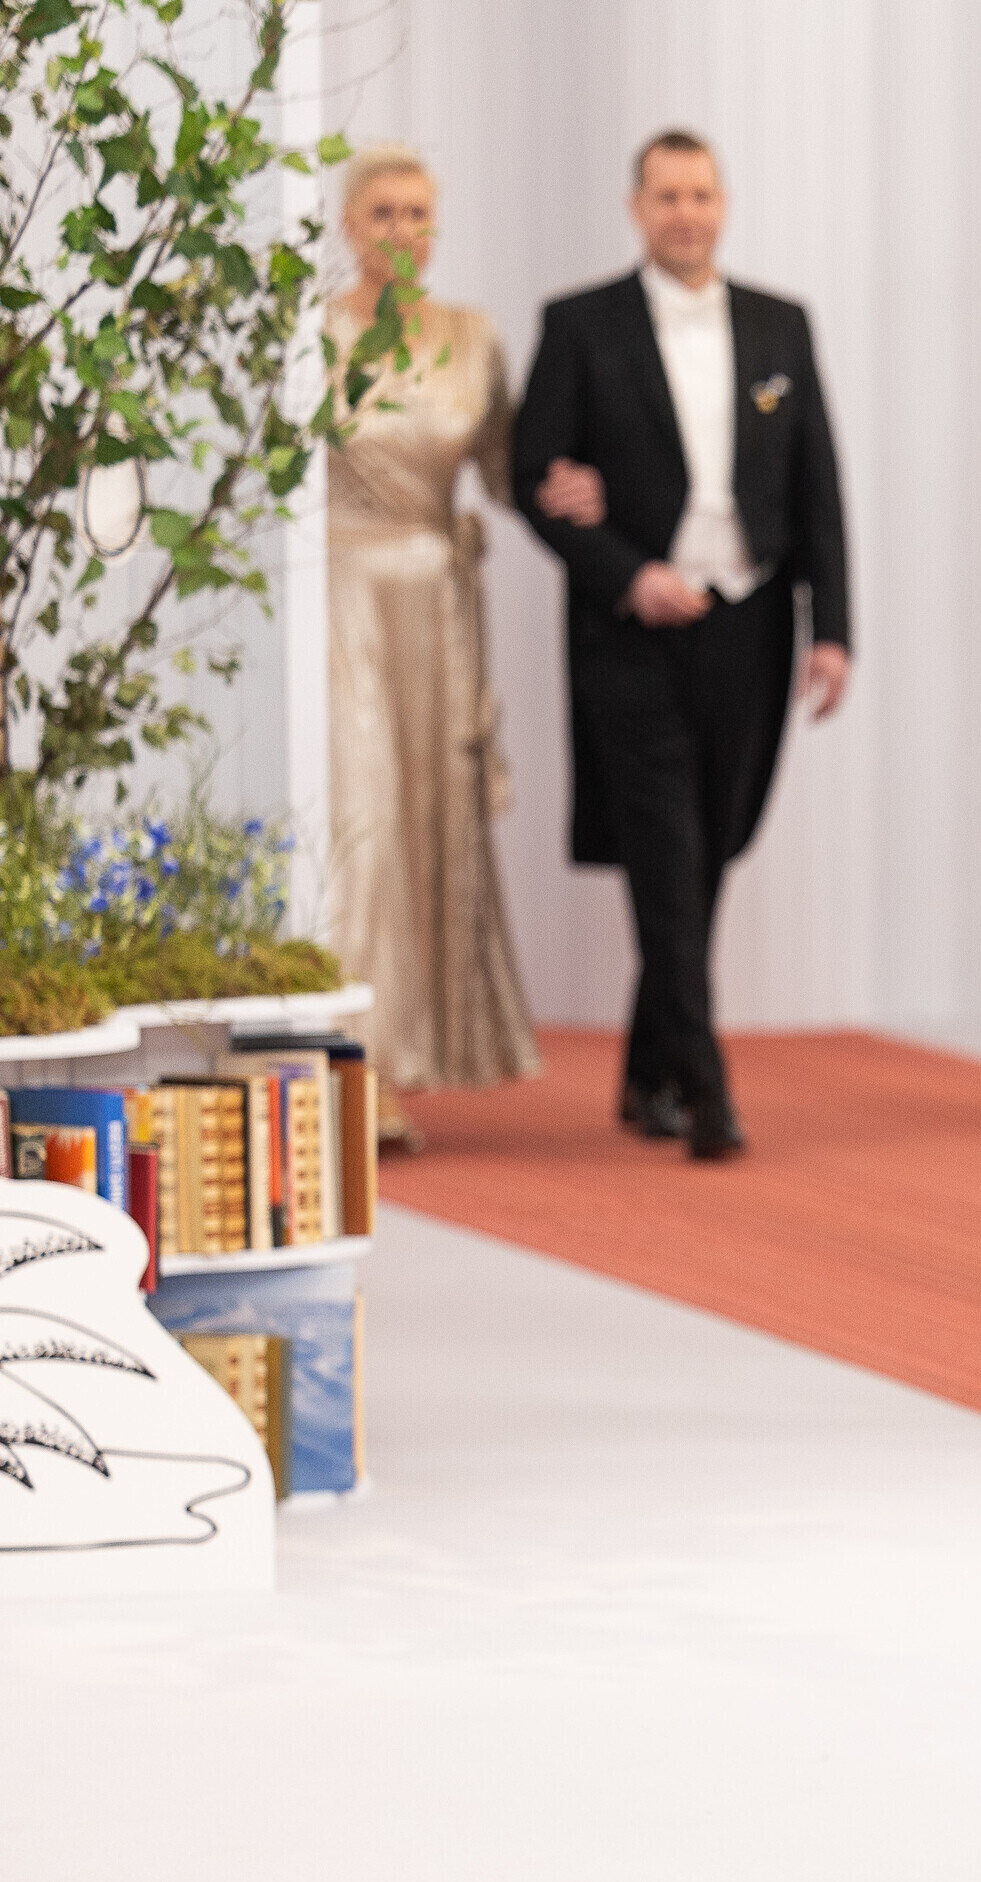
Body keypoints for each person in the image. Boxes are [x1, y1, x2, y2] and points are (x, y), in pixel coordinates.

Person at [512, 129, 851, 1161]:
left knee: (712, 843)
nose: (685, 213)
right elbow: (534, 473)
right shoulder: (579, 324)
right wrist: (626, 572)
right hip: (632, 633)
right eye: (666, 196)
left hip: (753, 623)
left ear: (723, 204)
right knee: (664, 852)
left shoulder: (781, 322)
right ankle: (706, 1086)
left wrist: (832, 629)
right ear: (637, 208)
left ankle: (646, 1066)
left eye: (701, 194)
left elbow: (817, 483)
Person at [321, 144, 542, 1141]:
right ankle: (349, 1066)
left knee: (422, 824)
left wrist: (600, 486)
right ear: (348, 225)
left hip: (438, 609)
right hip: (343, 599)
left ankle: (405, 1056)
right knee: (362, 823)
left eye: (418, 214)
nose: (403, 232)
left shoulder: (473, 338)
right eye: (384, 214)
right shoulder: (313, 336)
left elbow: (511, 472)